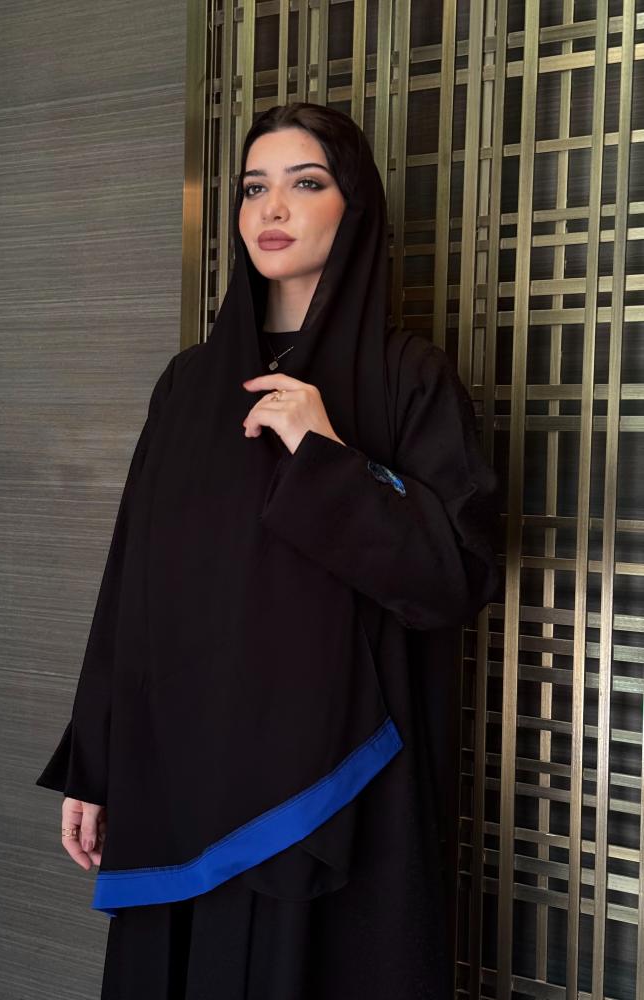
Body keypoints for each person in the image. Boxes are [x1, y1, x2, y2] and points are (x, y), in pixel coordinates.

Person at [36, 102, 501, 999]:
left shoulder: (409, 378)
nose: (272, 209)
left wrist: (326, 453)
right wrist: (96, 760)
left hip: (339, 788)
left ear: (352, 208)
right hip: (179, 771)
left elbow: (453, 577)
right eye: (254, 189)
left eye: (306, 183)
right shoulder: (188, 386)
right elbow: (132, 582)